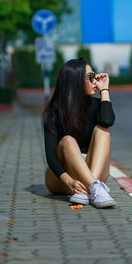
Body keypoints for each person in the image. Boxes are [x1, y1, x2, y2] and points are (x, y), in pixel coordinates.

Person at [42, 58, 116, 208]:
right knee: (68, 140)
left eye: (94, 75)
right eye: (90, 77)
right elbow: (50, 156)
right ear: (75, 80)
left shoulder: (96, 105)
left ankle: (92, 188)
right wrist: (70, 182)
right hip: (63, 177)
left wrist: (105, 91)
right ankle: (94, 189)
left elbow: (107, 121)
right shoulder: (55, 111)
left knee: (103, 131)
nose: (95, 79)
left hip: (92, 170)